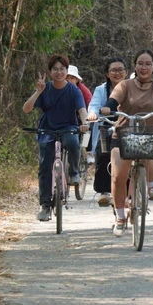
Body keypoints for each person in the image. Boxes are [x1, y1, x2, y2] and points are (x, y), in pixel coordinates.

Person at [100, 49, 153, 237]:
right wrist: (108, 108)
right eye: (140, 63)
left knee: (147, 150)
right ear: (135, 66)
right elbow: (112, 100)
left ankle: (151, 185)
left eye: (148, 64)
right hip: (123, 135)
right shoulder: (124, 86)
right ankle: (119, 217)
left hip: (147, 136)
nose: (144, 67)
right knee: (118, 177)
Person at [23, 55, 89, 221]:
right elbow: (26, 109)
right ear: (50, 72)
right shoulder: (45, 89)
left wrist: (85, 123)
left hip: (68, 127)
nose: (59, 72)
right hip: (47, 128)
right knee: (45, 165)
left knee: (73, 143)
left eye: (62, 69)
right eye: (55, 69)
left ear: (67, 72)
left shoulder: (74, 90)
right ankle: (45, 206)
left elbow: (82, 110)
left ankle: (73, 172)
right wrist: (38, 92)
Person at [86, 57, 128, 207]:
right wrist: (93, 113)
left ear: (126, 72)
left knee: (131, 156)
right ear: (107, 74)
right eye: (113, 70)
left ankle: (131, 189)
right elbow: (94, 105)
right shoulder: (100, 90)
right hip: (107, 125)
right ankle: (104, 191)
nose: (117, 73)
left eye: (120, 70)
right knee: (103, 152)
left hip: (128, 127)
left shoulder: (133, 87)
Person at [67, 65, 94, 163]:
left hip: (82, 115)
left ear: (77, 80)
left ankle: (88, 150)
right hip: (66, 117)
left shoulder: (83, 91)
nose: (69, 80)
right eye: (67, 77)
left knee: (89, 125)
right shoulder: (60, 89)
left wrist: (87, 119)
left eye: (72, 77)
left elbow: (91, 105)